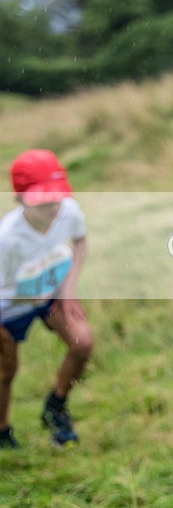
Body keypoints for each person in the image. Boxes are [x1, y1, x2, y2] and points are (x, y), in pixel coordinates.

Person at [0, 149, 94, 449]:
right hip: (8, 309)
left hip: (49, 295)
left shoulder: (69, 211)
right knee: (6, 370)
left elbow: (79, 242)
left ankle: (55, 408)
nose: (53, 207)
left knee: (82, 342)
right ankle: (2, 434)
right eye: (43, 201)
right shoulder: (7, 239)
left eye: (56, 197)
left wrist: (68, 289)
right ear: (20, 198)